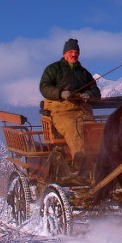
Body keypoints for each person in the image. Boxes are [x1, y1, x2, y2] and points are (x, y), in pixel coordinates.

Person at [39, 38, 102, 175]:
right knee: (72, 128)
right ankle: (79, 162)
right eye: (71, 51)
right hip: (60, 111)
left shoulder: (84, 73)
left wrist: (88, 94)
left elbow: (96, 90)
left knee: (94, 129)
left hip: (81, 110)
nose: (74, 54)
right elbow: (44, 87)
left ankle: (100, 162)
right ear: (65, 54)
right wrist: (61, 93)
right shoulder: (53, 69)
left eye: (76, 52)